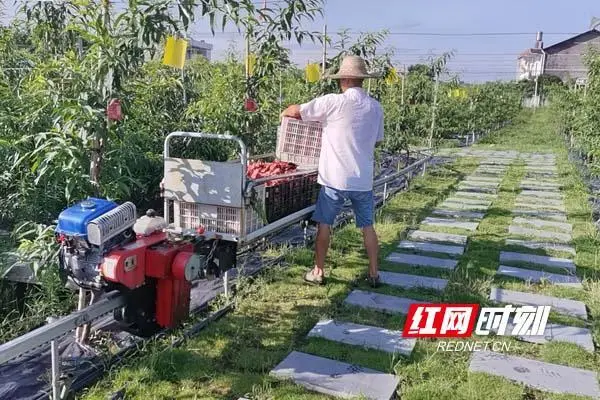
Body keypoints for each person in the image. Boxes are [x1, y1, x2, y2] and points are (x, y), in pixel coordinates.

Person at [280, 55, 384, 287]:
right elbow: (377, 141)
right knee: (367, 225)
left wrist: (285, 112)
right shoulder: (375, 107)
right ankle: (374, 273)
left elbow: (297, 111)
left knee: (325, 223)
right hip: (362, 179)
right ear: (361, 80)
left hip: (334, 178)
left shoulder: (333, 102)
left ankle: (318, 271)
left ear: (344, 79)